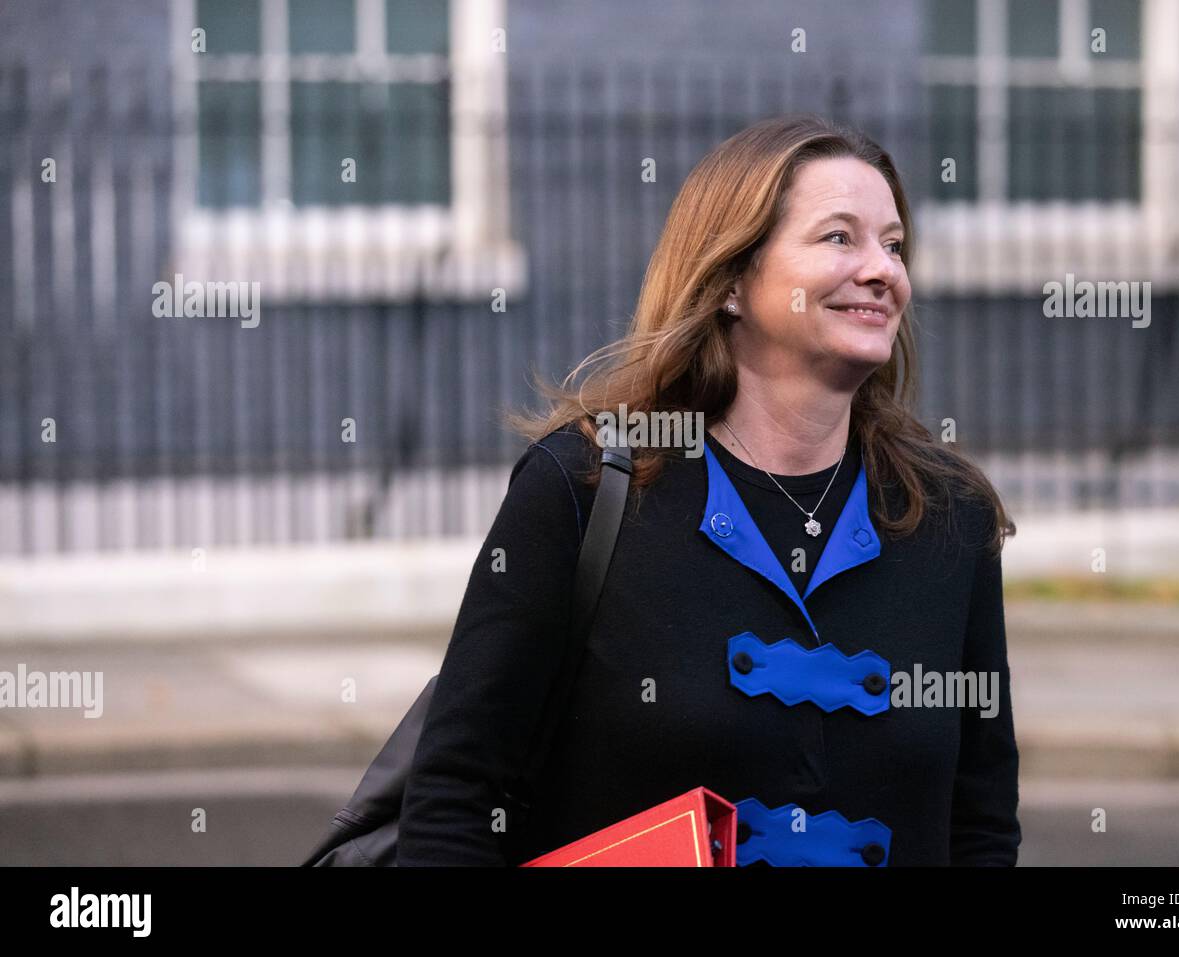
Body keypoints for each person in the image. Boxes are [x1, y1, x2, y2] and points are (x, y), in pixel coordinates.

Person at [397, 113, 1020, 866]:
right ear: (729, 281)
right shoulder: (587, 488)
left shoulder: (949, 515)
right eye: (838, 238)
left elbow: (981, 826)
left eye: (893, 245)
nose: (883, 269)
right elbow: (458, 799)